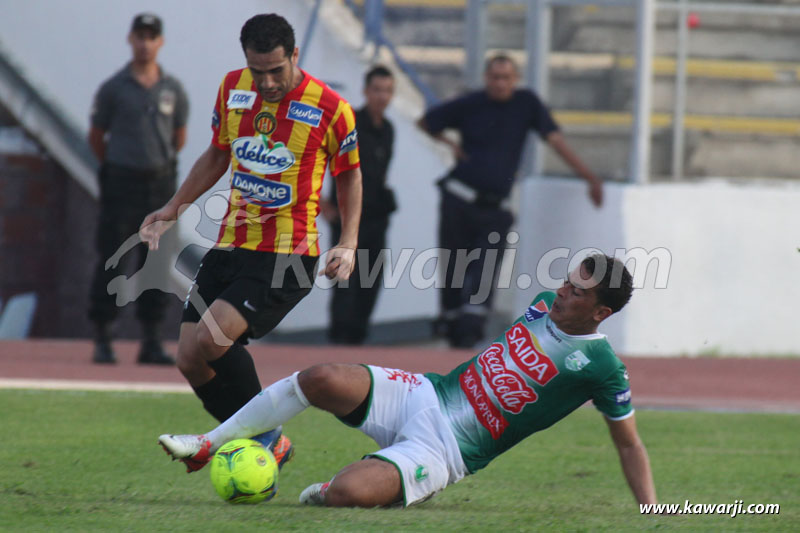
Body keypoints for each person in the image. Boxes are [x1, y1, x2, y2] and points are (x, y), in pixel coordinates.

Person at [158, 254, 658, 509]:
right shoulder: (543, 304)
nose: (562, 291)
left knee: (344, 496)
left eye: (577, 291)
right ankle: (208, 443)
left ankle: (390, 479)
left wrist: (650, 509)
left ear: (601, 312)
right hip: (426, 393)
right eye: (568, 280)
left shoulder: (603, 368)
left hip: (446, 450)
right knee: (319, 378)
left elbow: (629, 444)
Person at [139, 14, 362, 465]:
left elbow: (350, 175)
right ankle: (264, 441)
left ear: (294, 55)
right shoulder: (232, 89)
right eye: (258, 71)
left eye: (276, 70)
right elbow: (217, 154)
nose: (268, 82)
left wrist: (349, 241)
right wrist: (173, 207)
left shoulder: (331, 107)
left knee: (213, 339)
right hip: (230, 245)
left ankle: (260, 437)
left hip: (286, 254)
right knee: (189, 358)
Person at [417, 54, 604, 349]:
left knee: (485, 271)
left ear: (515, 79)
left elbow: (555, 140)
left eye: (506, 78)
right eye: (495, 77)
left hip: (495, 209)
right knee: (453, 269)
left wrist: (589, 177)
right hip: (458, 199)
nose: (500, 83)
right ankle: (451, 328)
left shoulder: (526, 104)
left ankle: (470, 332)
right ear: (486, 78)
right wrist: (451, 145)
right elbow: (426, 122)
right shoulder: (471, 103)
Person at [88, 13, 189, 365]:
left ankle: (151, 340)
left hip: (159, 184)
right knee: (113, 257)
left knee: (157, 262)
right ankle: (103, 336)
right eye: (140, 36)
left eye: (151, 37)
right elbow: (97, 137)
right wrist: (119, 165)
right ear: (131, 40)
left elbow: (178, 137)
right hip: (122, 183)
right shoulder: (114, 88)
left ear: (160, 42)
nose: (145, 44)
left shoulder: (173, 89)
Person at [321, 65, 396, 345]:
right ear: (365, 91)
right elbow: (317, 158)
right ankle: (339, 342)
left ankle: (358, 341)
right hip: (346, 215)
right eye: (377, 90)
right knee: (344, 281)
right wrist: (321, 203)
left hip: (376, 216)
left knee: (370, 280)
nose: (382, 96)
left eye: (387, 91)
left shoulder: (388, 129)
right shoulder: (349, 122)